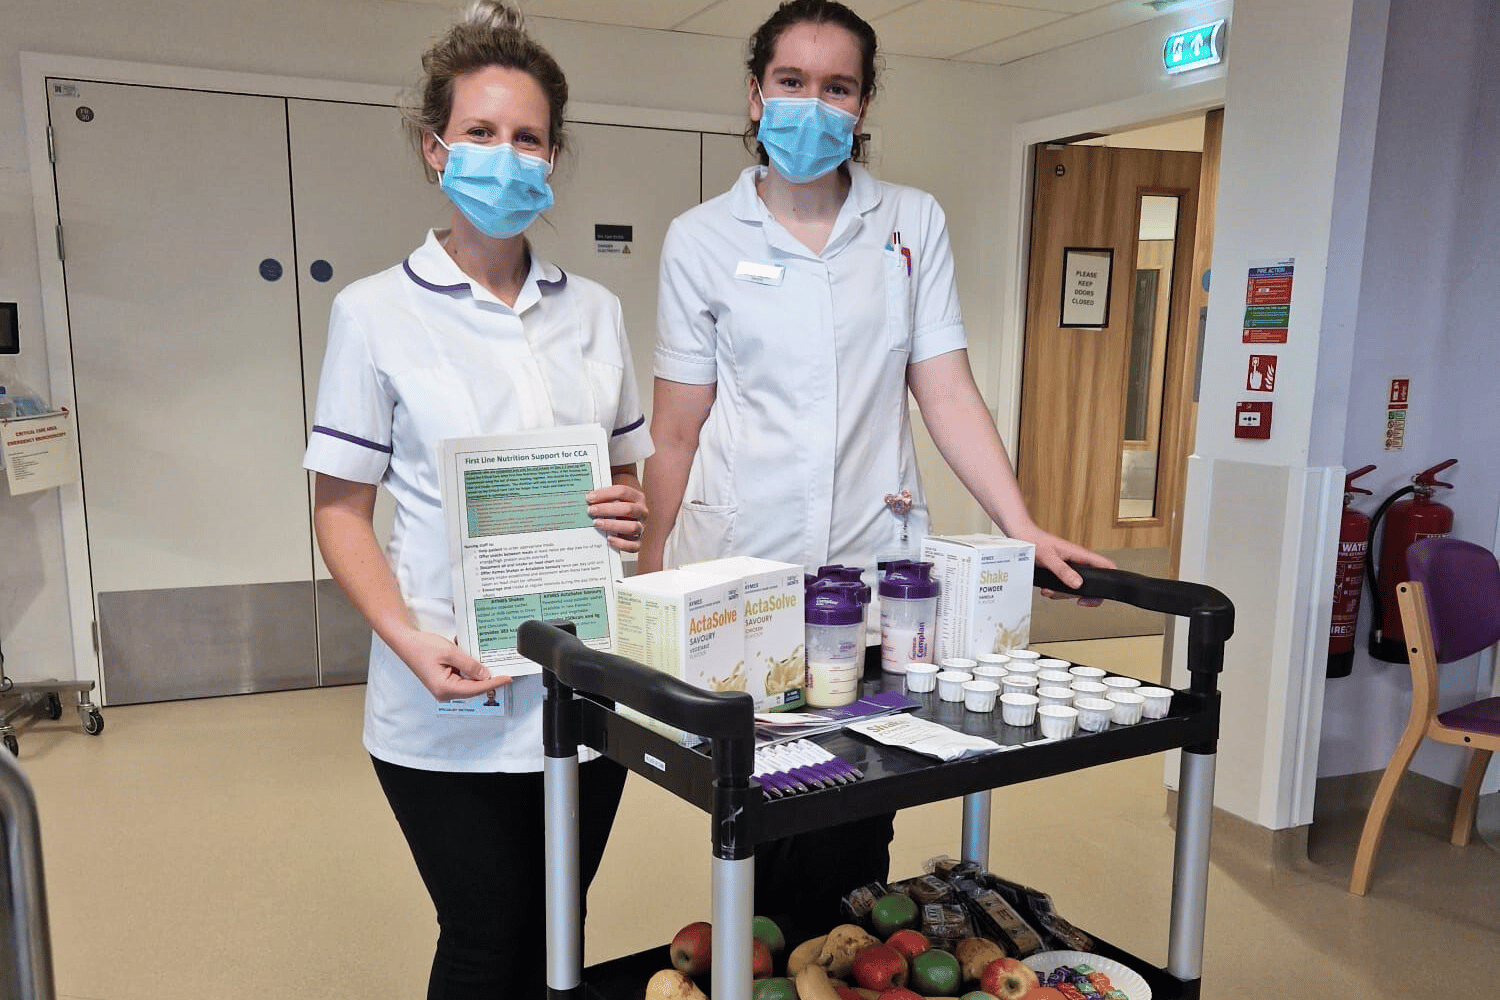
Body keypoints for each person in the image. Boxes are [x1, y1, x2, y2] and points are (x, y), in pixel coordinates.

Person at [639, 0, 1113, 944]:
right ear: (755, 92)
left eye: (837, 86)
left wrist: (1017, 521)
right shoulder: (702, 239)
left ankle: (836, 956)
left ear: (861, 105)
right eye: (791, 81)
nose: (812, 103)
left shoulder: (910, 223)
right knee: (759, 807)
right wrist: (647, 577)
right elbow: (677, 426)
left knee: (857, 805)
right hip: (745, 569)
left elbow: (945, 392)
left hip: (872, 571)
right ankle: (771, 960)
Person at [301, 3, 651, 996]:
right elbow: (340, 510)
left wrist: (627, 515)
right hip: (442, 689)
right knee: (487, 933)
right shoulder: (374, 313)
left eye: (528, 137)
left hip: (584, 685)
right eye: (482, 133)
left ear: (553, 157)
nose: (506, 156)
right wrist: (411, 642)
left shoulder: (595, 312)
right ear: (435, 148)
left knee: (557, 930)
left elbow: (626, 478)